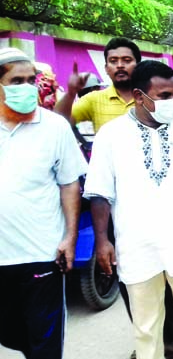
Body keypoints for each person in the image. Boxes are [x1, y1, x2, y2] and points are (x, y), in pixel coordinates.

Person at [84, 60, 173, 359]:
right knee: (146, 320)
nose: (172, 102)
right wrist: (102, 240)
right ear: (139, 96)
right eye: (163, 96)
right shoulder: (111, 135)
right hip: (137, 242)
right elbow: (98, 192)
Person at [55, 37, 173, 359]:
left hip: (156, 202)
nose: (120, 65)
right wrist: (70, 92)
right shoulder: (95, 100)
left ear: (137, 64)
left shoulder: (160, 99)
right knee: (127, 277)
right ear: (106, 66)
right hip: (111, 206)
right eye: (113, 60)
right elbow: (60, 123)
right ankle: (146, 340)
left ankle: (169, 335)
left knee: (163, 274)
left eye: (127, 59)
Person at [0, 48, 88, 359]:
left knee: (45, 342)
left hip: (42, 252)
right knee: (10, 331)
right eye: (16, 80)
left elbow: (69, 184)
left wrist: (70, 237)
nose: (27, 87)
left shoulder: (54, 126)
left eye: (30, 80)